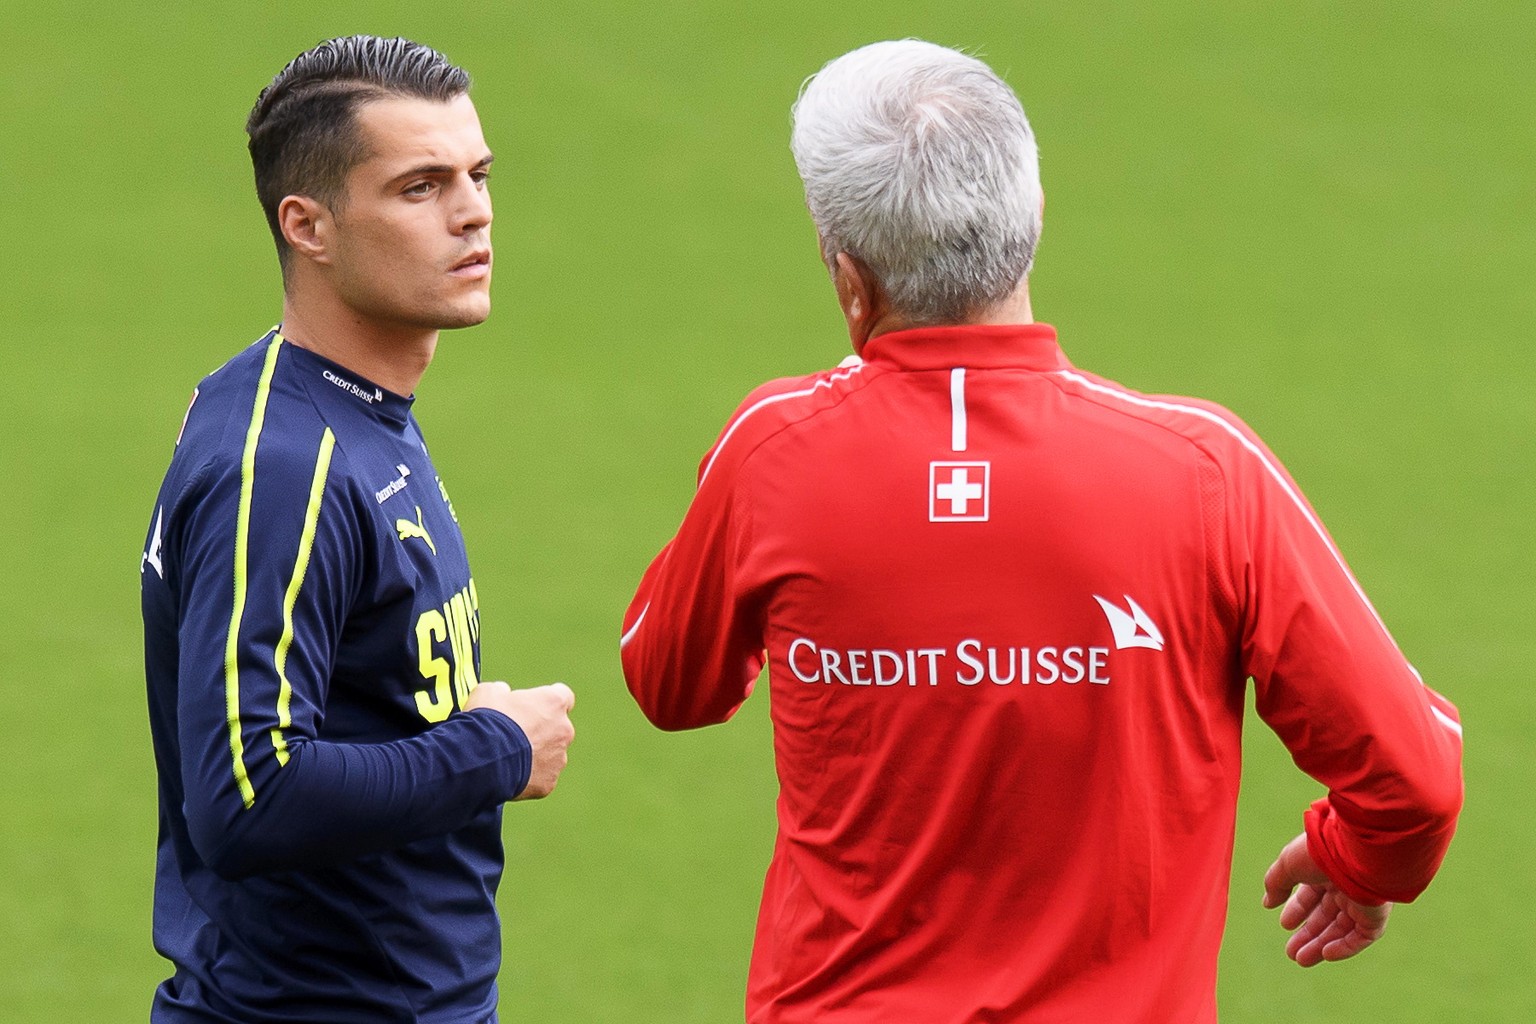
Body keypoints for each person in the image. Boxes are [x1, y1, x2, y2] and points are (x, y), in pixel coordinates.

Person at [620, 39, 1463, 1023]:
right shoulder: (1207, 469)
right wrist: (1357, 859)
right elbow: (1415, 779)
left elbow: (670, 684)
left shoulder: (772, 450)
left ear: (848, 274)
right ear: (1034, 218)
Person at [140, 36, 575, 1024]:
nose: (474, 211)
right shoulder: (286, 466)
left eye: (477, 174)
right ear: (310, 225)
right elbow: (248, 792)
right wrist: (496, 748)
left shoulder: (344, 408)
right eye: (420, 187)